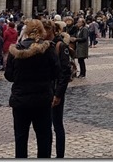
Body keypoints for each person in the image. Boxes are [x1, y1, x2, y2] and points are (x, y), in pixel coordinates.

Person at [4, 19, 60, 159]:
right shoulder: (48, 49)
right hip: (42, 99)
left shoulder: (15, 50)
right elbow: (56, 72)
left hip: (20, 99)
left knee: (21, 137)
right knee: (44, 136)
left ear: (26, 31)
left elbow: (9, 76)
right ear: (42, 31)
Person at [43, 20, 71, 158]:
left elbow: (65, 73)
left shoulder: (60, 45)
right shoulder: (44, 45)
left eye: (45, 31)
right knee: (45, 126)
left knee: (57, 125)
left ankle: (60, 156)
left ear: (51, 30)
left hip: (55, 91)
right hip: (44, 91)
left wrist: (58, 94)